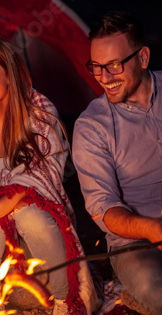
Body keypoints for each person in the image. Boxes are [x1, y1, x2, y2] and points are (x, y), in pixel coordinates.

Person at [0, 36, 98, 314]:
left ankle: (65, 302)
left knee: (25, 210)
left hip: (43, 251)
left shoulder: (38, 114)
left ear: (10, 76)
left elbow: (42, 182)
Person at [73, 11, 162, 314]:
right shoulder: (91, 126)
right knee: (157, 292)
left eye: (113, 65)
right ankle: (138, 294)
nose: (104, 78)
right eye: (96, 67)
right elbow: (104, 208)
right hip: (135, 243)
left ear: (143, 57)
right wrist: (153, 228)